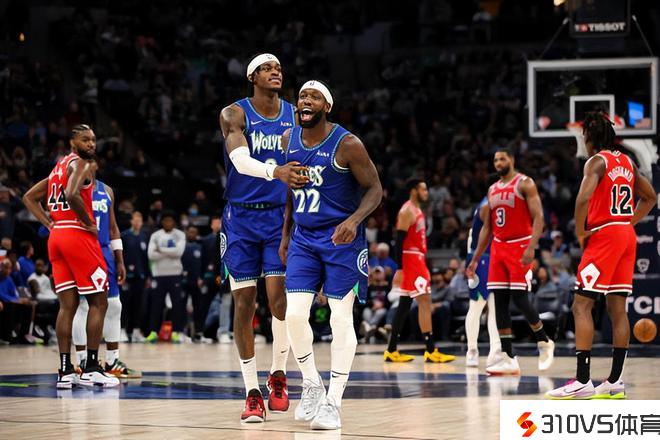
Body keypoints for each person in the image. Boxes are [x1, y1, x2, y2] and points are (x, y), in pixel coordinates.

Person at [280, 80, 382, 430]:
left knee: (340, 318)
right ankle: (311, 383)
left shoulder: (347, 144)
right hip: (303, 239)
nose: (305, 101)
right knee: (294, 315)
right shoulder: (288, 139)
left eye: (314, 97)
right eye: (302, 97)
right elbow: (290, 192)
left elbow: (375, 189)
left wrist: (354, 220)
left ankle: (334, 401)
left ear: (327, 106)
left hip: (341, 238)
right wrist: (285, 235)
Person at [218, 53, 305, 422]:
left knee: (279, 300)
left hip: (277, 219)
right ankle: (252, 391)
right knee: (244, 303)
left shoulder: (294, 116)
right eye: (268, 68)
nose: (275, 72)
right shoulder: (234, 114)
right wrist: (276, 171)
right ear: (252, 76)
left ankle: (278, 374)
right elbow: (240, 161)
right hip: (240, 218)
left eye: (279, 69)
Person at [547, 112, 656, 399]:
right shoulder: (628, 162)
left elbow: (583, 198)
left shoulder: (596, 162)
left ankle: (583, 381)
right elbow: (651, 197)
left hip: (605, 236)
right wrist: (628, 222)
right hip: (625, 236)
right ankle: (615, 381)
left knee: (581, 305)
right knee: (617, 309)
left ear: (589, 138)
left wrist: (581, 232)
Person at [22, 124, 118, 388]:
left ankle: (65, 371)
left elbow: (29, 197)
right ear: (73, 142)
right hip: (78, 235)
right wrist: (87, 221)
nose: (91, 144)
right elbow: (72, 194)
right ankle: (91, 367)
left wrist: (48, 223)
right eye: (85, 139)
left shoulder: (57, 168)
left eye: (94, 139)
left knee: (67, 306)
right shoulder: (82, 165)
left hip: (57, 237)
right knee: (99, 301)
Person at [466, 147, 555, 375]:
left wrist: (532, 246)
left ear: (512, 160)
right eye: (495, 159)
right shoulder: (492, 189)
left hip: (520, 245)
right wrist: (475, 259)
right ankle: (508, 357)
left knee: (520, 299)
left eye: (502, 158)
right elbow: (487, 228)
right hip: (498, 248)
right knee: (500, 302)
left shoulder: (525, 183)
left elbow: (539, 217)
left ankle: (544, 341)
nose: (498, 163)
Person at [72, 179, 140, 378]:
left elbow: (113, 228)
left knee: (114, 304)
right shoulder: (71, 188)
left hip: (104, 252)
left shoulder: (106, 190)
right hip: (82, 249)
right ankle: (82, 361)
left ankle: (112, 361)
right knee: (83, 306)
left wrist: (119, 260)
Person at [384, 179, 456, 364]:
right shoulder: (407, 210)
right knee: (425, 301)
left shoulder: (416, 210)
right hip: (411, 260)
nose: (426, 192)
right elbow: (398, 241)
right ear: (414, 191)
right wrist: (400, 268)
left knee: (404, 305)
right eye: (423, 189)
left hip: (416, 258)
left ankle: (391, 349)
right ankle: (430, 350)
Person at [464, 196, 502, 368]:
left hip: (495, 258)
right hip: (481, 259)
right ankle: (472, 350)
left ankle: (495, 350)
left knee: (495, 306)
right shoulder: (487, 206)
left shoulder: (495, 205)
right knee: (477, 305)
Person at [146, 210, 186, 343]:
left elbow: (179, 252)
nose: (168, 222)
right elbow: (151, 255)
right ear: (162, 222)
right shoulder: (155, 235)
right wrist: (170, 253)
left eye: (170, 220)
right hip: (159, 275)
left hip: (175, 274)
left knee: (176, 305)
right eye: (165, 220)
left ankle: (176, 332)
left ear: (173, 222)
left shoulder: (180, 235)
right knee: (156, 305)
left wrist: (160, 250)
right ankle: (153, 332)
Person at [120, 211, 150, 342]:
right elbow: (119, 256)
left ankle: (136, 331)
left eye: (139, 220)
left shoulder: (144, 237)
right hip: (127, 276)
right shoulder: (124, 236)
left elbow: (148, 258)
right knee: (124, 303)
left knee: (138, 304)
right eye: (135, 220)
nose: (137, 222)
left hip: (141, 276)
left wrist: (148, 275)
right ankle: (122, 330)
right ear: (131, 221)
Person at [182, 225, 204, 337]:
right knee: (181, 307)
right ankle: (182, 332)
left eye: (194, 232)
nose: (192, 234)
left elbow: (203, 264)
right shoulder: (182, 246)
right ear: (187, 233)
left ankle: (198, 332)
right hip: (183, 282)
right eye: (190, 232)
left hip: (197, 282)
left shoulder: (201, 247)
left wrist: (201, 278)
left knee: (198, 308)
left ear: (197, 234)